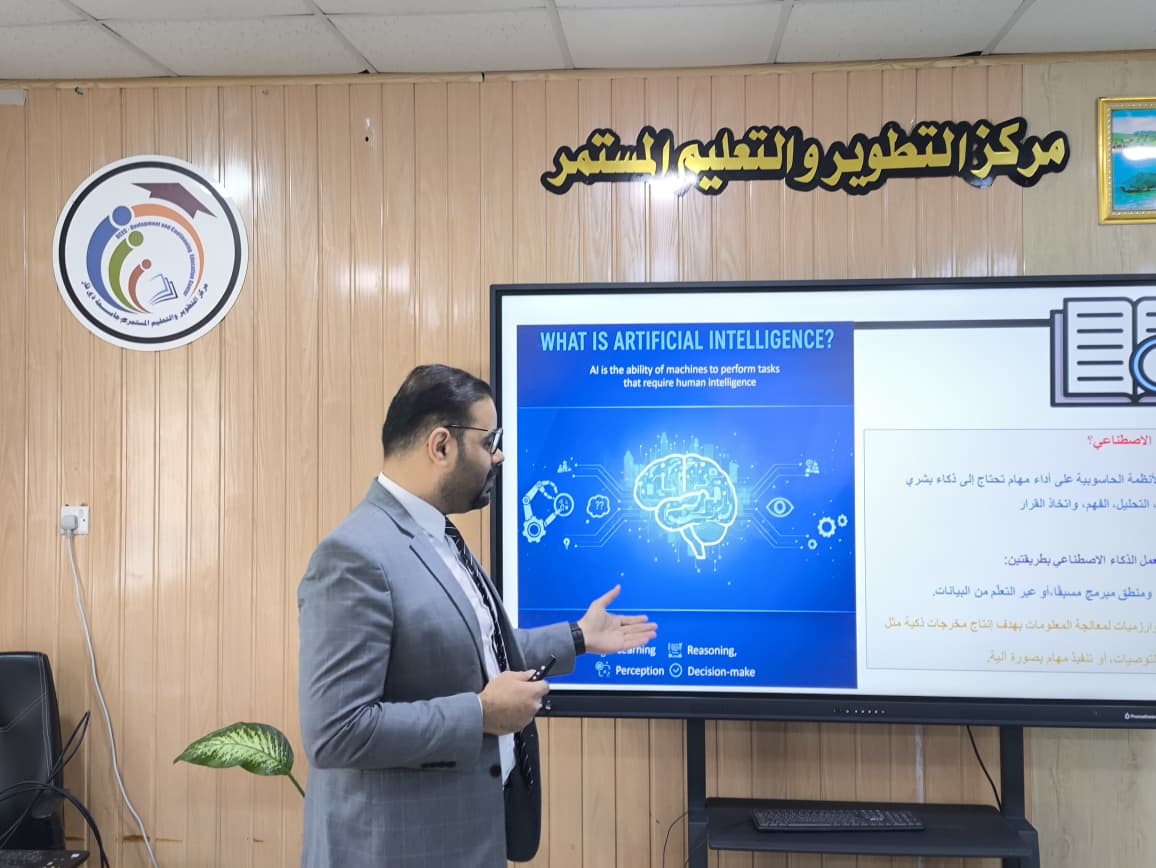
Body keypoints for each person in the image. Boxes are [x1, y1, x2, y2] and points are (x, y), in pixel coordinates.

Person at [297, 363, 658, 867]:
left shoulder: (438, 536)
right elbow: (336, 732)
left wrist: (578, 636)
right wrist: (482, 714)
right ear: (441, 446)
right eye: (490, 442)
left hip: (469, 841)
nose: (499, 456)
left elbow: (475, 651)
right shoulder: (354, 556)